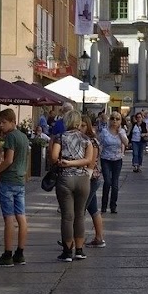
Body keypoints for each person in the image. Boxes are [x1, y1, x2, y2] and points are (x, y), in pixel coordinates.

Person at [49, 110, 97, 262]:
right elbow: (89, 160)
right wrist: (76, 162)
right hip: (83, 179)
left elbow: (54, 157)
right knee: (80, 215)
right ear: (78, 122)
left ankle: (67, 251)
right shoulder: (86, 139)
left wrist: (67, 162)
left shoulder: (60, 137)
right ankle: (80, 250)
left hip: (65, 179)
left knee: (67, 216)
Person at [0, 109, 30, 267]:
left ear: (13, 121)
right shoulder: (23, 137)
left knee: (8, 218)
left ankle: (7, 254)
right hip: (19, 180)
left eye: (3, 123)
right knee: (21, 217)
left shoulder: (11, 137)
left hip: (8, 180)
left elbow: (8, 160)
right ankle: (20, 253)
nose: (1, 126)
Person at [83, 117, 108, 248]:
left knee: (80, 210)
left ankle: (75, 242)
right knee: (93, 209)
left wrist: (86, 178)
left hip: (91, 179)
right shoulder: (88, 140)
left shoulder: (91, 141)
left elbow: (91, 162)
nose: (79, 128)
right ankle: (99, 238)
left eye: (82, 125)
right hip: (93, 178)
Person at [96, 113, 127, 214]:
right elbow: (99, 144)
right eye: (113, 119)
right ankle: (104, 205)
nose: (115, 121)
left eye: (117, 119)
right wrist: (96, 159)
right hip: (105, 159)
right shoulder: (105, 132)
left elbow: (126, 143)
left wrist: (120, 133)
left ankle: (113, 206)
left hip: (117, 160)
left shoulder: (121, 131)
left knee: (115, 184)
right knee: (107, 182)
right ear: (109, 120)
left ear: (120, 121)